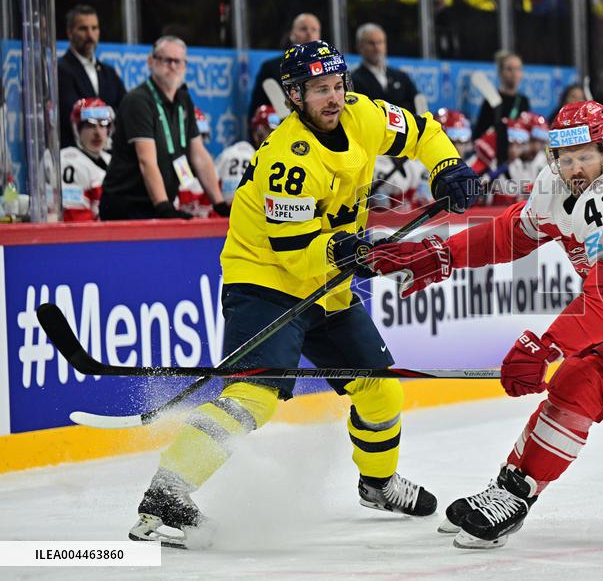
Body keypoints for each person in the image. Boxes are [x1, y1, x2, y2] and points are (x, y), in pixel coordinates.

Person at [129, 40, 480, 548]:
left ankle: (377, 485)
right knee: (255, 394)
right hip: (266, 281)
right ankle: (163, 500)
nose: (333, 97)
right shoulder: (287, 159)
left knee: (381, 389)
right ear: (294, 96)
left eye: (337, 85)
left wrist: (446, 166)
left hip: (325, 281)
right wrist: (346, 252)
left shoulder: (363, 114)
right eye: (319, 90)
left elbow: (423, 131)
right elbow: (293, 251)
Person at [367, 100, 603, 549]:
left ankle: (516, 494)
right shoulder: (556, 183)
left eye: (585, 155)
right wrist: (443, 255)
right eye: (565, 157)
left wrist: (547, 346)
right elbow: (511, 234)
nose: (575, 168)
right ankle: (510, 485)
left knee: (582, 380)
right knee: (576, 381)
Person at [99, 36, 228, 220]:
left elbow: (199, 155)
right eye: (167, 60)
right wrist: (163, 207)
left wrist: (219, 204)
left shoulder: (184, 100)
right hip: (127, 208)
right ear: (151, 62)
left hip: (156, 207)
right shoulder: (138, 100)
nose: (173, 66)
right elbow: (146, 161)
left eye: (178, 61)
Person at [57, 5, 127, 149]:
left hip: (108, 155)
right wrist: (109, 113)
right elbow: (74, 112)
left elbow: (125, 109)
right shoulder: (60, 70)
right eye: (83, 29)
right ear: (70, 33)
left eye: (94, 28)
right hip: (74, 156)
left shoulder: (109, 72)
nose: (90, 35)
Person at [248, 13, 322, 121]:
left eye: (314, 29)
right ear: (292, 34)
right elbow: (256, 112)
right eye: (303, 28)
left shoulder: (326, 70)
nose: (309, 33)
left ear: (319, 37)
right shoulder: (270, 69)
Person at [470, 51, 531, 172]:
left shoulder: (523, 101)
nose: (514, 73)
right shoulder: (491, 99)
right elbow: (479, 134)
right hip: (494, 160)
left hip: (517, 160)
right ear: (501, 73)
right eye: (509, 69)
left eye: (518, 69)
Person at [61, 98, 113, 221]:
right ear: (78, 129)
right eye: (90, 125)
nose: (98, 133)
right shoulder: (68, 161)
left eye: (103, 124)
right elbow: (75, 218)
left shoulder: (110, 159)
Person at [216, 105, 279, 204]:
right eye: (268, 132)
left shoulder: (230, 153)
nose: (273, 138)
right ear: (256, 134)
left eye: (276, 133)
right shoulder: (241, 155)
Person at [350, 23, 419, 113]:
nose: (376, 47)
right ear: (360, 47)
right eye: (371, 43)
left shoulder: (401, 77)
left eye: (380, 42)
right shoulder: (354, 80)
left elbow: (418, 105)